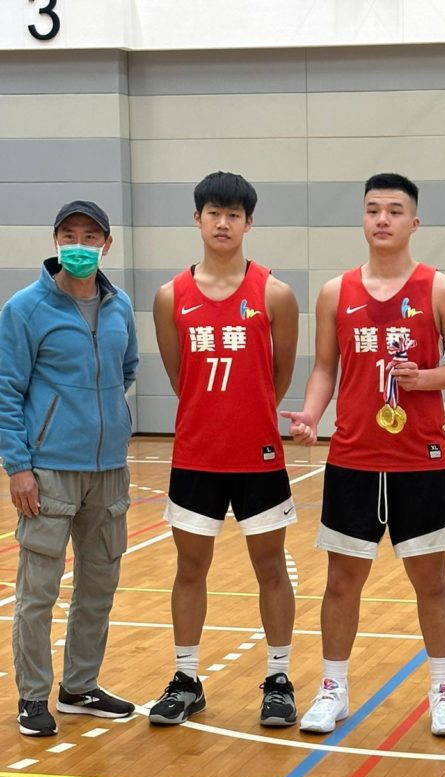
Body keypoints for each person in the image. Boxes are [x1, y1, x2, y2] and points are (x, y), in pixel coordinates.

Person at [282, 172, 445, 736]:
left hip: (420, 458)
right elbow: (325, 368)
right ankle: (333, 688)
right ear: (363, 219)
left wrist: (425, 379)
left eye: (394, 210)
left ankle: (443, 690)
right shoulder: (335, 292)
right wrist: (312, 414)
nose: (383, 219)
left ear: (414, 222)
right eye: (373, 210)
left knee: (431, 581)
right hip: (353, 458)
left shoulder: (442, 289)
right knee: (342, 582)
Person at [150, 171, 299, 728]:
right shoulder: (170, 297)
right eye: (213, 212)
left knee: (271, 567)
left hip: (258, 456)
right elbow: (179, 377)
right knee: (190, 567)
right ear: (197, 218)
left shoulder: (275, 294)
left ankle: (279, 679)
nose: (223, 222)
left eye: (234, 214)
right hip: (196, 456)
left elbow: (278, 375)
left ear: (248, 223)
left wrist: (249, 415)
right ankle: (186, 679)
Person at [0, 200, 138, 737]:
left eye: (90, 237)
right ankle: (33, 696)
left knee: (99, 585)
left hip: (109, 470)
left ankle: (80, 687)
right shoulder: (25, 309)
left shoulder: (120, 306)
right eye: (69, 235)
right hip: (48, 471)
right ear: (55, 241)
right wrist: (19, 466)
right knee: (38, 591)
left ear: (107, 244)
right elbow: (6, 391)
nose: (79, 245)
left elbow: (127, 369)